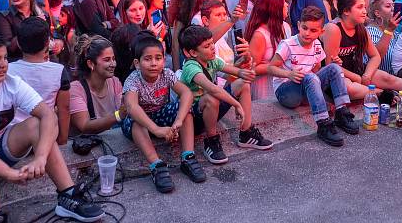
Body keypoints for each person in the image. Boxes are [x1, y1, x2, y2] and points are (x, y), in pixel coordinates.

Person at [0, 34, 103, 223]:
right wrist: (10, 173)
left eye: (4, 58)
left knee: (36, 124)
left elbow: (48, 115)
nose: (3, 65)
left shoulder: (11, 82)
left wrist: (41, 156)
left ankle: (67, 195)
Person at [121, 33, 205, 193]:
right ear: (137, 63)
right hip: (140, 123)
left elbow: (186, 93)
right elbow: (132, 107)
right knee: (136, 120)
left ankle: (188, 157)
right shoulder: (133, 80)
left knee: (185, 110)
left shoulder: (166, 74)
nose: (154, 63)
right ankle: (156, 165)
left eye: (158, 58)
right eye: (148, 59)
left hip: (160, 115)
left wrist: (178, 121)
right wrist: (156, 130)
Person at [179, 25, 271, 166]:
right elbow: (213, 89)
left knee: (243, 83)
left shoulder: (211, 60)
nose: (212, 48)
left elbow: (235, 71)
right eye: (207, 46)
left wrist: (246, 66)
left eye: (212, 43)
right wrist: (236, 104)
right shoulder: (190, 67)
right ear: (192, 52)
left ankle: (246, 133)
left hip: (212, 110)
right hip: (194, 118)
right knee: (211, 97)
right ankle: (211, 141)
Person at [267, 6, 353, 147]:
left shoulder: (317, 45)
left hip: (305, 86)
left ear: (321, 32)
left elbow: (316, 68)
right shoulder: (288, 44)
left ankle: (341, 112)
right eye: (305, 28)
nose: (307, 33)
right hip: (286, 92)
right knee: (310, 77)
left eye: (313, 30)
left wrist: (335, 62)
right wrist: (289, 73)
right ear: (299, 25)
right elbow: (270, 67)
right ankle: (323, 123)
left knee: (334, 68)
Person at [9, 17, 71, 145]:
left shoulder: (7, 71)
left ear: (19, 44)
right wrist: (63, 140)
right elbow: (64, 108)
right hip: (47, 137)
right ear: (48, 43)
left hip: (15, 139)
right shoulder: (59, 71)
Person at [69, 35, 123, 136]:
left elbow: (123, 107)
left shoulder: (114, 82)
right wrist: (119, 115)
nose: (113, 64)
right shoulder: (76, 89)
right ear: (90, 64)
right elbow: (84, 126)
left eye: (113, 59)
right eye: (107, 60)